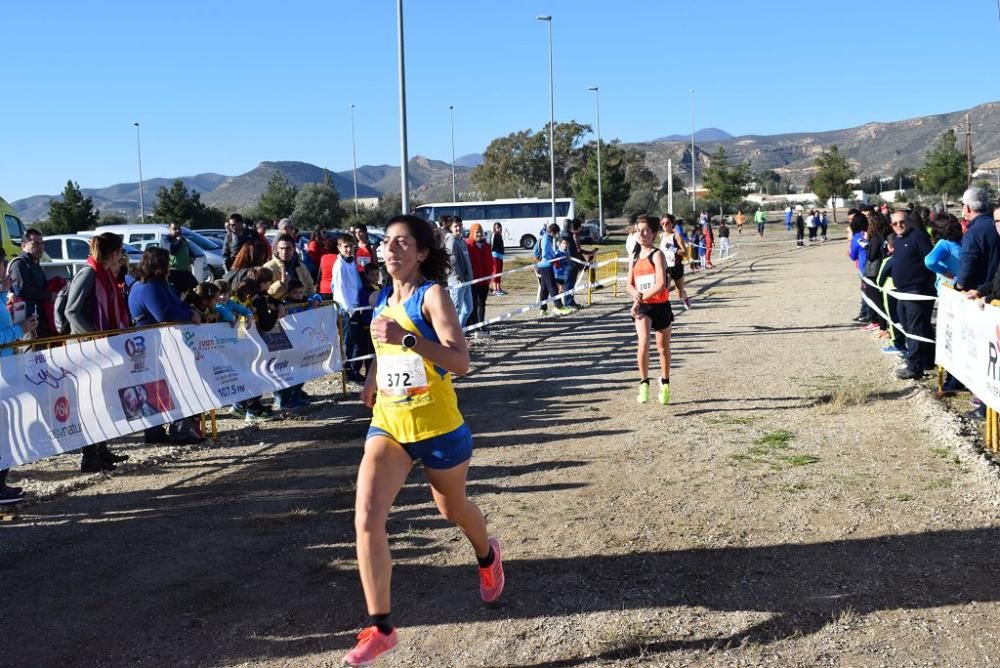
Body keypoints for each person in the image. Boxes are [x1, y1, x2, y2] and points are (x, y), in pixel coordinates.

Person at [344, 214, 504, 667]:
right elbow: (383, 349)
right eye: (387, 242)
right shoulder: (381, 300)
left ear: (421, 253)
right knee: (367, 517)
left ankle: (488, 554)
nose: (391, 249)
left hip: (438, 427)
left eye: (403, 243)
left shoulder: (431, 296)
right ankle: (381, 627)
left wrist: (409, 338)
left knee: (452, 509)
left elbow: (461, 362)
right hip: (390, 425)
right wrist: (372, 382)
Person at [65, 233, 133, 471]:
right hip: (86, 349)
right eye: (120, 251)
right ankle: (89, 455)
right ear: (114, 253)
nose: (121, 256)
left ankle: (101, 449)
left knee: (103, 399)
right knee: (89, 401)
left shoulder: (105, 276)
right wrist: (95, 335)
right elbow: (71, 311)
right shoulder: (89, 274)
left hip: (100, 347)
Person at [127, 247, 207, 440]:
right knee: (169, 385)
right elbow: (165, 314)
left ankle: (157, 430)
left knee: (161, 386)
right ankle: (176, 430)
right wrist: (189, 315)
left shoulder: (158, 284)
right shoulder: (149, 287)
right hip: (153, 344)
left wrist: (190, 310)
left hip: (160, 343)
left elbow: (175, 305)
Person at [0, 248, 38, 504]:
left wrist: (5, 293)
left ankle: (2, 484)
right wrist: (18, 329)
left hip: (7, 371)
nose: (4, 271)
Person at [627, 215, 672, 405]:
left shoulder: (657, 255)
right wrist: (635, 296)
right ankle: (644, 383)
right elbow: (629, 284)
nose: (642, 234)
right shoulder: (634, 256)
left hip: (660, 305)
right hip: (643, 307)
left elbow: (661, 284)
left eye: (646, 230)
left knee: (662, 348)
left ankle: (665, 382)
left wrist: (641, 298)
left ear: (654, 233)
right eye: (639, 230)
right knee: (644, 341)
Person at [890, 211, 935, 380]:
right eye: (895, 224)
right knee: (910, 325)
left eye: (901, 222)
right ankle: (926, 359)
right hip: (902, 290)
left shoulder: (918, 237)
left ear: (908, 221)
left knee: (916, 327)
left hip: (917, 290)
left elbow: (929, 261)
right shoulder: (898, 240)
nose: (899, 226)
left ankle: (915, 367)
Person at [8, 228, 54, 339]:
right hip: (28, 324)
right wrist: (49, 295)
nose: (40, 246)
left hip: (40, 321)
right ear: (23, 246)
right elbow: (22, 290)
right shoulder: (19, 264)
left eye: (42, 243)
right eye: (35, 243)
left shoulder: (35, 265)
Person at [955, 186, 1000, 299]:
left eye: (963, 205)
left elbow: (968, 264)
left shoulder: (973, 233)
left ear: (968, 208)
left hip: (978, 293)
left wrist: (959, 286)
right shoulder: (995, 224)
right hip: (993, 291)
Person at [331, 234, 365, 383]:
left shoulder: (353, 263)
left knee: (358, 341)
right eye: (346, 246)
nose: (349, 249)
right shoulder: (339, 265)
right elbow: (339, 290)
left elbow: (357, 284)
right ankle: (347, 372)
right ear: (339, 248)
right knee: (348, 342)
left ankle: (355, 370)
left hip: (358, 307)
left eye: (351, 246)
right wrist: (349, 309)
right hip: (347, 310)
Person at [536, 223, 572, 316]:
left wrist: (554, 257)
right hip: (546, 266)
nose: (556, 236)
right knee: (552, 287)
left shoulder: (547, 238)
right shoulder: (546, 239)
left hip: (545, 266)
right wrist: (553, 258)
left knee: (544, 289)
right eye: (556, 234)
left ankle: (542, 309)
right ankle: (559, 306)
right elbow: (544, 254)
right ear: (552, 232)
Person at [444, 217, 473, 327]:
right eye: (455, 226)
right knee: (456, 310)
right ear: (451, 228)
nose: (458, 228)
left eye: (460, 225)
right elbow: (451, 262)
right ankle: (453, 336)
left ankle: (459, 332)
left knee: (468, 309)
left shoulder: (462, 241)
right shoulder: (451, 241)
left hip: (467, 280)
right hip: (457, 281)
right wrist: (457, 278)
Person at [465, 223, 493, 331]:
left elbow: (490, 261)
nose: (479, 234)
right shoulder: (468, 246)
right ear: (472, 233)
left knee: (482, 303)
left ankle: (482, 323)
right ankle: (474, 325)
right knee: (473, 304)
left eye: (480, 232)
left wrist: (490, 276)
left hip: (484, 281)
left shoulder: (486, 246)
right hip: (472, 281)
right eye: (477, 232)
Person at [659, 214, 691, 310]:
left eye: (667, 223)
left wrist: (672, 248)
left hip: (676, 266)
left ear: (672, 224)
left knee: (679, 293)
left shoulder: (676, 236)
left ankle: (685, 298)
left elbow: (685, 253)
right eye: (662, 223)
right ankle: (664, 308)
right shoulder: (661, 236)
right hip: (666, 267)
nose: (664, 225)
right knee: (665, 290)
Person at [166, 221, 198, 297]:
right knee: (178, 294)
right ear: (169, 230)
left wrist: (192, 256)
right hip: (174, 272)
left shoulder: (182, 239)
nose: (177, 231)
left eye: (179, 228)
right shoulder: (166, 239)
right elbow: (172, 250)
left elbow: (188, 249)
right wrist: (179, 240)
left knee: (196, 289)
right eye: (175, 229)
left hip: (185, 271)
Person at [489, 222, 507, 296]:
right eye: (497, 227)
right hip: (495, 255)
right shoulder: (494, 234)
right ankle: (495, 290)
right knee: (495, 273)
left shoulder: (500, 235)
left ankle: (499, 288)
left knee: (499, 273)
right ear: (494, 228)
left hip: (500, 256)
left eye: (500, 227)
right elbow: (492, 245)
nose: (499, 228)